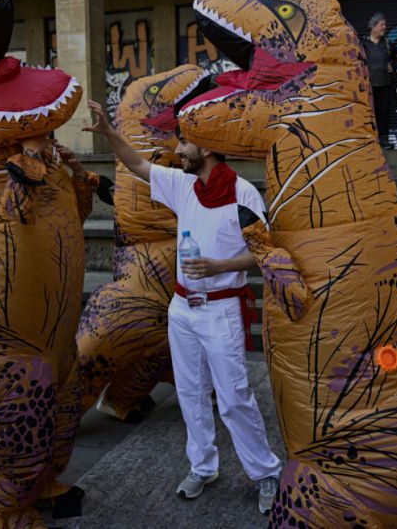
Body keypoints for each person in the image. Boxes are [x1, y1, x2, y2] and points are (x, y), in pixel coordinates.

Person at [61, 100, 282, 515]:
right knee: (190, 392)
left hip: (221, 311)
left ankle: (265, 471)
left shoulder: (243, 193)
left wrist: (220, 265)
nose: (178, 150)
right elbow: (138, 166)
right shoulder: (185, 186)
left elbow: (265, 252)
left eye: (185, 143)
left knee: (234, 396)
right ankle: (203, 466)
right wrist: (110, 134)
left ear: (209, 148)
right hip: (182, 309)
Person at [363, 12, 397, 148]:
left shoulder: (388, 44)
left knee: (384, 112)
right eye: (382, 25)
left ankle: (383, 141)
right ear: (373, 26)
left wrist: (393, 66)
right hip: (369, 86)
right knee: (369, 114)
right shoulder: (363, 44)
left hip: (385, 85)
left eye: (385, 25)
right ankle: (369, 141)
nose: (384, 27)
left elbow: (396, 58)